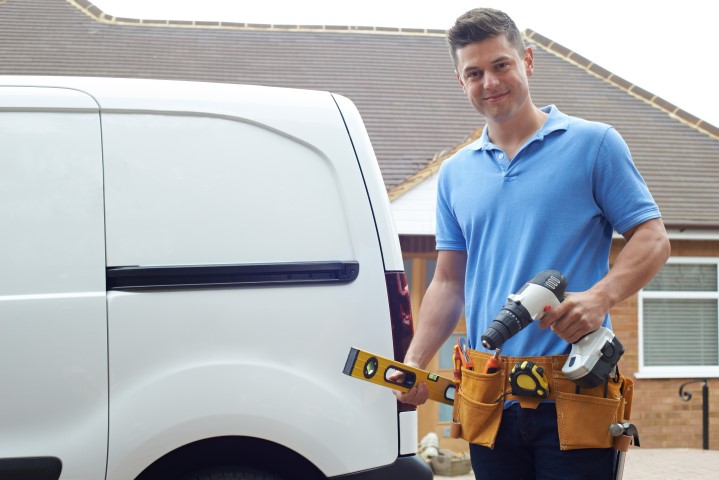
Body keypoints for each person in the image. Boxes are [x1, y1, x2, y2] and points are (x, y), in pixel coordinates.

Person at [395, 7, 671, 480]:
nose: (490, 82)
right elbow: (446, 281)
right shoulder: (455, 174)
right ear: (461, 81)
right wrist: (416, 361)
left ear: (527, 60)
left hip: (575, 389)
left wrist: (600, 296)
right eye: (474, 73)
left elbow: (654, 238)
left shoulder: (593, 145)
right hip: (488, 394)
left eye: (501, 65)